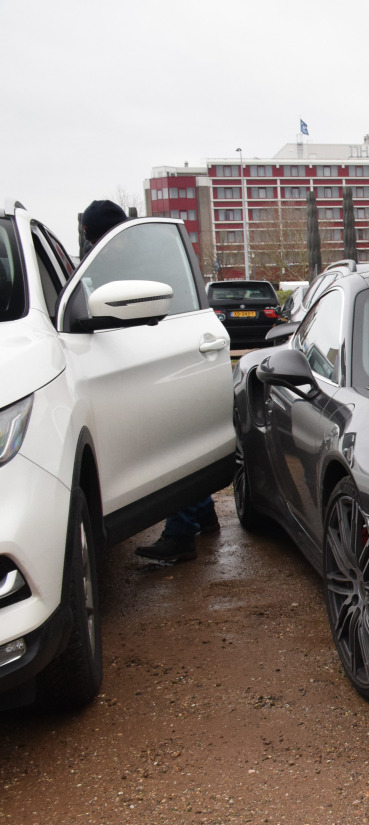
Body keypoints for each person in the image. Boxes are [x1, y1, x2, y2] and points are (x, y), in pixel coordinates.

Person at [75, 199, 220, 563]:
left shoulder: (137, 265)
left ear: (111, 236)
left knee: (172, 442)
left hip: (163, 358)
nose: (92, 247)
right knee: (180, 440)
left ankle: (180, 535)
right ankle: (203, 513)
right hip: (166, 355)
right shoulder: (142, 258)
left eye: (94, 239)